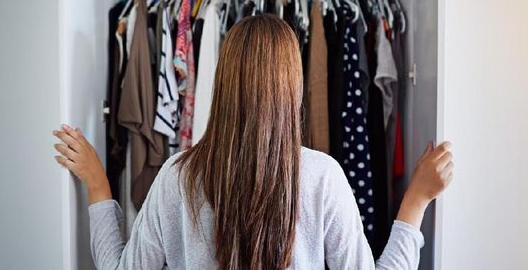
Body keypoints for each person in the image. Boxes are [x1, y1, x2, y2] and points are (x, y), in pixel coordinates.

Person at [52, 14, 454, 270]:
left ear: (223, 85)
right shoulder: (321, 178)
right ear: (293, 90)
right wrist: (416, 199)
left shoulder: (178, 176)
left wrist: (98, 183)